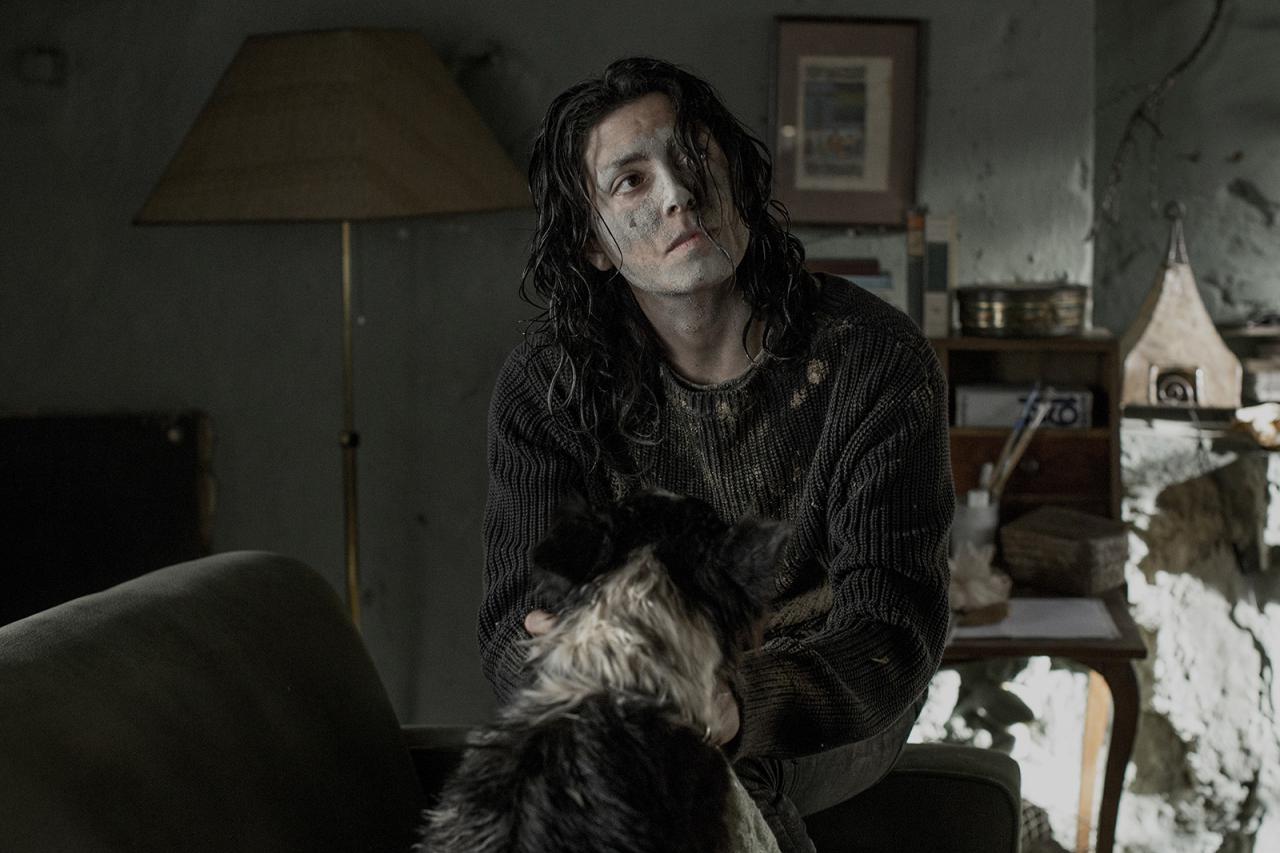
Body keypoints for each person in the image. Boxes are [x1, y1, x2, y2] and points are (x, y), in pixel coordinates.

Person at [478, 56, 953, 853]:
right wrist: (589, 674)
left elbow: (893, 628)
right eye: (631, 180)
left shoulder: (873, 361)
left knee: (712, 770)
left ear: (733, 171)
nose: (678, 192)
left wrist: (736, 698)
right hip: (630, 701)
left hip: (830, 698)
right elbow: (511, 625)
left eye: (692, 153)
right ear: (593, 243)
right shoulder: (548, 386)